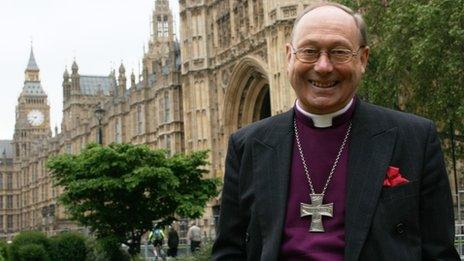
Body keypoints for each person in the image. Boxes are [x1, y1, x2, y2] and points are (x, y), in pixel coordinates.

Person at [212, 1, 459, 260]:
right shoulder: (247, 145)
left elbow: (439, 253)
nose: (323, 66)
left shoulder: (415, 138)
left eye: (339, 52)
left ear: (363, 59)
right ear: (288, 57)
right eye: (309, 51)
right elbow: (230, 251)